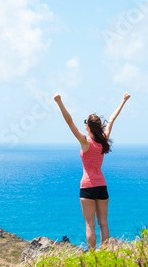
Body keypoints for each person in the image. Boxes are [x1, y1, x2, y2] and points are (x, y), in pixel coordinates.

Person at [54, 93, 130, 250]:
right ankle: (105, 256)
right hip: (102, 185)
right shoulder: (103, 140)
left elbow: (69, 122)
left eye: (85, 123)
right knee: (103, 223)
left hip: (87, 186)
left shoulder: (85, 141)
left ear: (88, 126)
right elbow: (112, 119)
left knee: (90, 224)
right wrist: (123, 101)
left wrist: (59, 102)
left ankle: (93, 256)